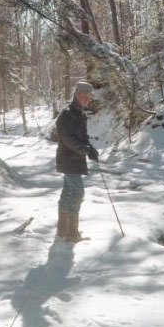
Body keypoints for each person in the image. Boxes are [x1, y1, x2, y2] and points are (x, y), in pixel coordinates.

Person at [55, 81, 99, 243]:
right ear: (78, 94)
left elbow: (82, 137)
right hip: (68, 160)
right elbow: (66, 139)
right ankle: (71, 233)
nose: (88, 100)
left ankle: (63, 230)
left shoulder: (80, 113)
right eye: (86, 97)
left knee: (68, 193)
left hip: (75, 160)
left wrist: (90, 148)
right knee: (77, 193)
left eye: (89, 97)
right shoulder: (66, 114)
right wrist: (84, 150)